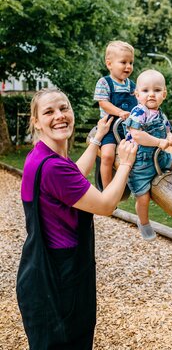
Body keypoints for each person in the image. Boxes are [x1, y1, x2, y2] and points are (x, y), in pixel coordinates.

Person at [16, 88, 137, 350]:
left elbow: (74, 177)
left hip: (42, 276)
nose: (59, 116)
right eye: (48, 112)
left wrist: (97, 140)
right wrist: (126, 163)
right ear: (36, 121)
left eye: (64, 108)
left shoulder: (43, 155)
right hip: (60, 281)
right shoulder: (53, 167)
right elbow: (105, 205)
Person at [124, 69, 172, 241]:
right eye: (146, 90)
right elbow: (137, 135)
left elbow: (168, 130)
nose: (151, 95)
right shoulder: (139, 112)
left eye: (156, 90)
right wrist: (158, 142)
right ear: (137, 94)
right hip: (140, 162)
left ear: (164, 94)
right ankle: (144, 222)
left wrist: (170, 138)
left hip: (158, 156)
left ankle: (170, 182)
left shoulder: (161, 114)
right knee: (143, 197)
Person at [93, 40, 137, 189]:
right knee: (107, 156)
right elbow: (103, 103)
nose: (128, 66)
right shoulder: (104, 83)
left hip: (128, 129)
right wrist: (119, 112)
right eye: (123, 62)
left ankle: (132, 185)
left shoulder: (132, 85)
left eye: (131, 62)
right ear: (109, 64)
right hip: (110, 128)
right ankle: (107, 191)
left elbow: (139, 104)